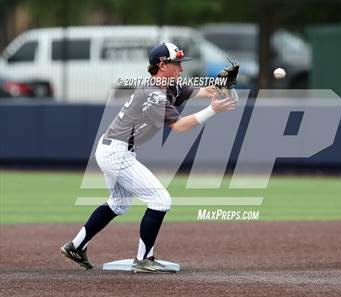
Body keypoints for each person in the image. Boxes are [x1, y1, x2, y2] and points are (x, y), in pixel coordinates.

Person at [60, 42, 236, 273]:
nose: (181, 69)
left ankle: (76, 245)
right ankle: (144, 259)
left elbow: (202, 91)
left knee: (119, 204)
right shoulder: (154, 94)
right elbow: (180, 126)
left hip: (113, 148)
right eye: (177, 64)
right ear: (162, 65)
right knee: (161, 200)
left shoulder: (168, 85)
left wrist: (221, 84)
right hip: (117, 152)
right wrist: (213, 110)